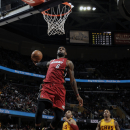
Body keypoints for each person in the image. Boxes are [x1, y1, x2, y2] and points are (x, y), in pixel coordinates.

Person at [33, 46, 83, 130]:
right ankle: (37, 128)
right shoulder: (51, 61)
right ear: (57, 52)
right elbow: (43, 64)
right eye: (59, 48)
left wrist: (77, 95)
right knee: (39, 109)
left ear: (66, 53)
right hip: (48, 86)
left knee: (58, 116)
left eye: (63, 49)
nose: (61, 49)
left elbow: (72, 81)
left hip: (59, 89)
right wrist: (36, 63)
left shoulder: (68, 62)